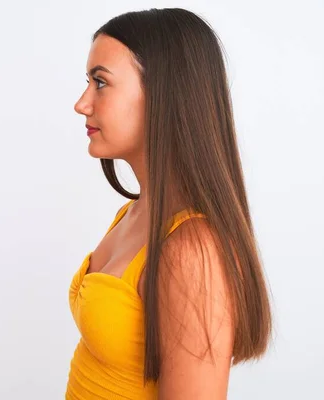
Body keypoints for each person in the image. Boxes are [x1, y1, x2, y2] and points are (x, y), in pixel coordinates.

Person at [67, 7, 272, 399]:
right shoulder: (133, 213)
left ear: (163, 93)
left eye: (100, 82)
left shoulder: (193, 252)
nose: (82, 103)